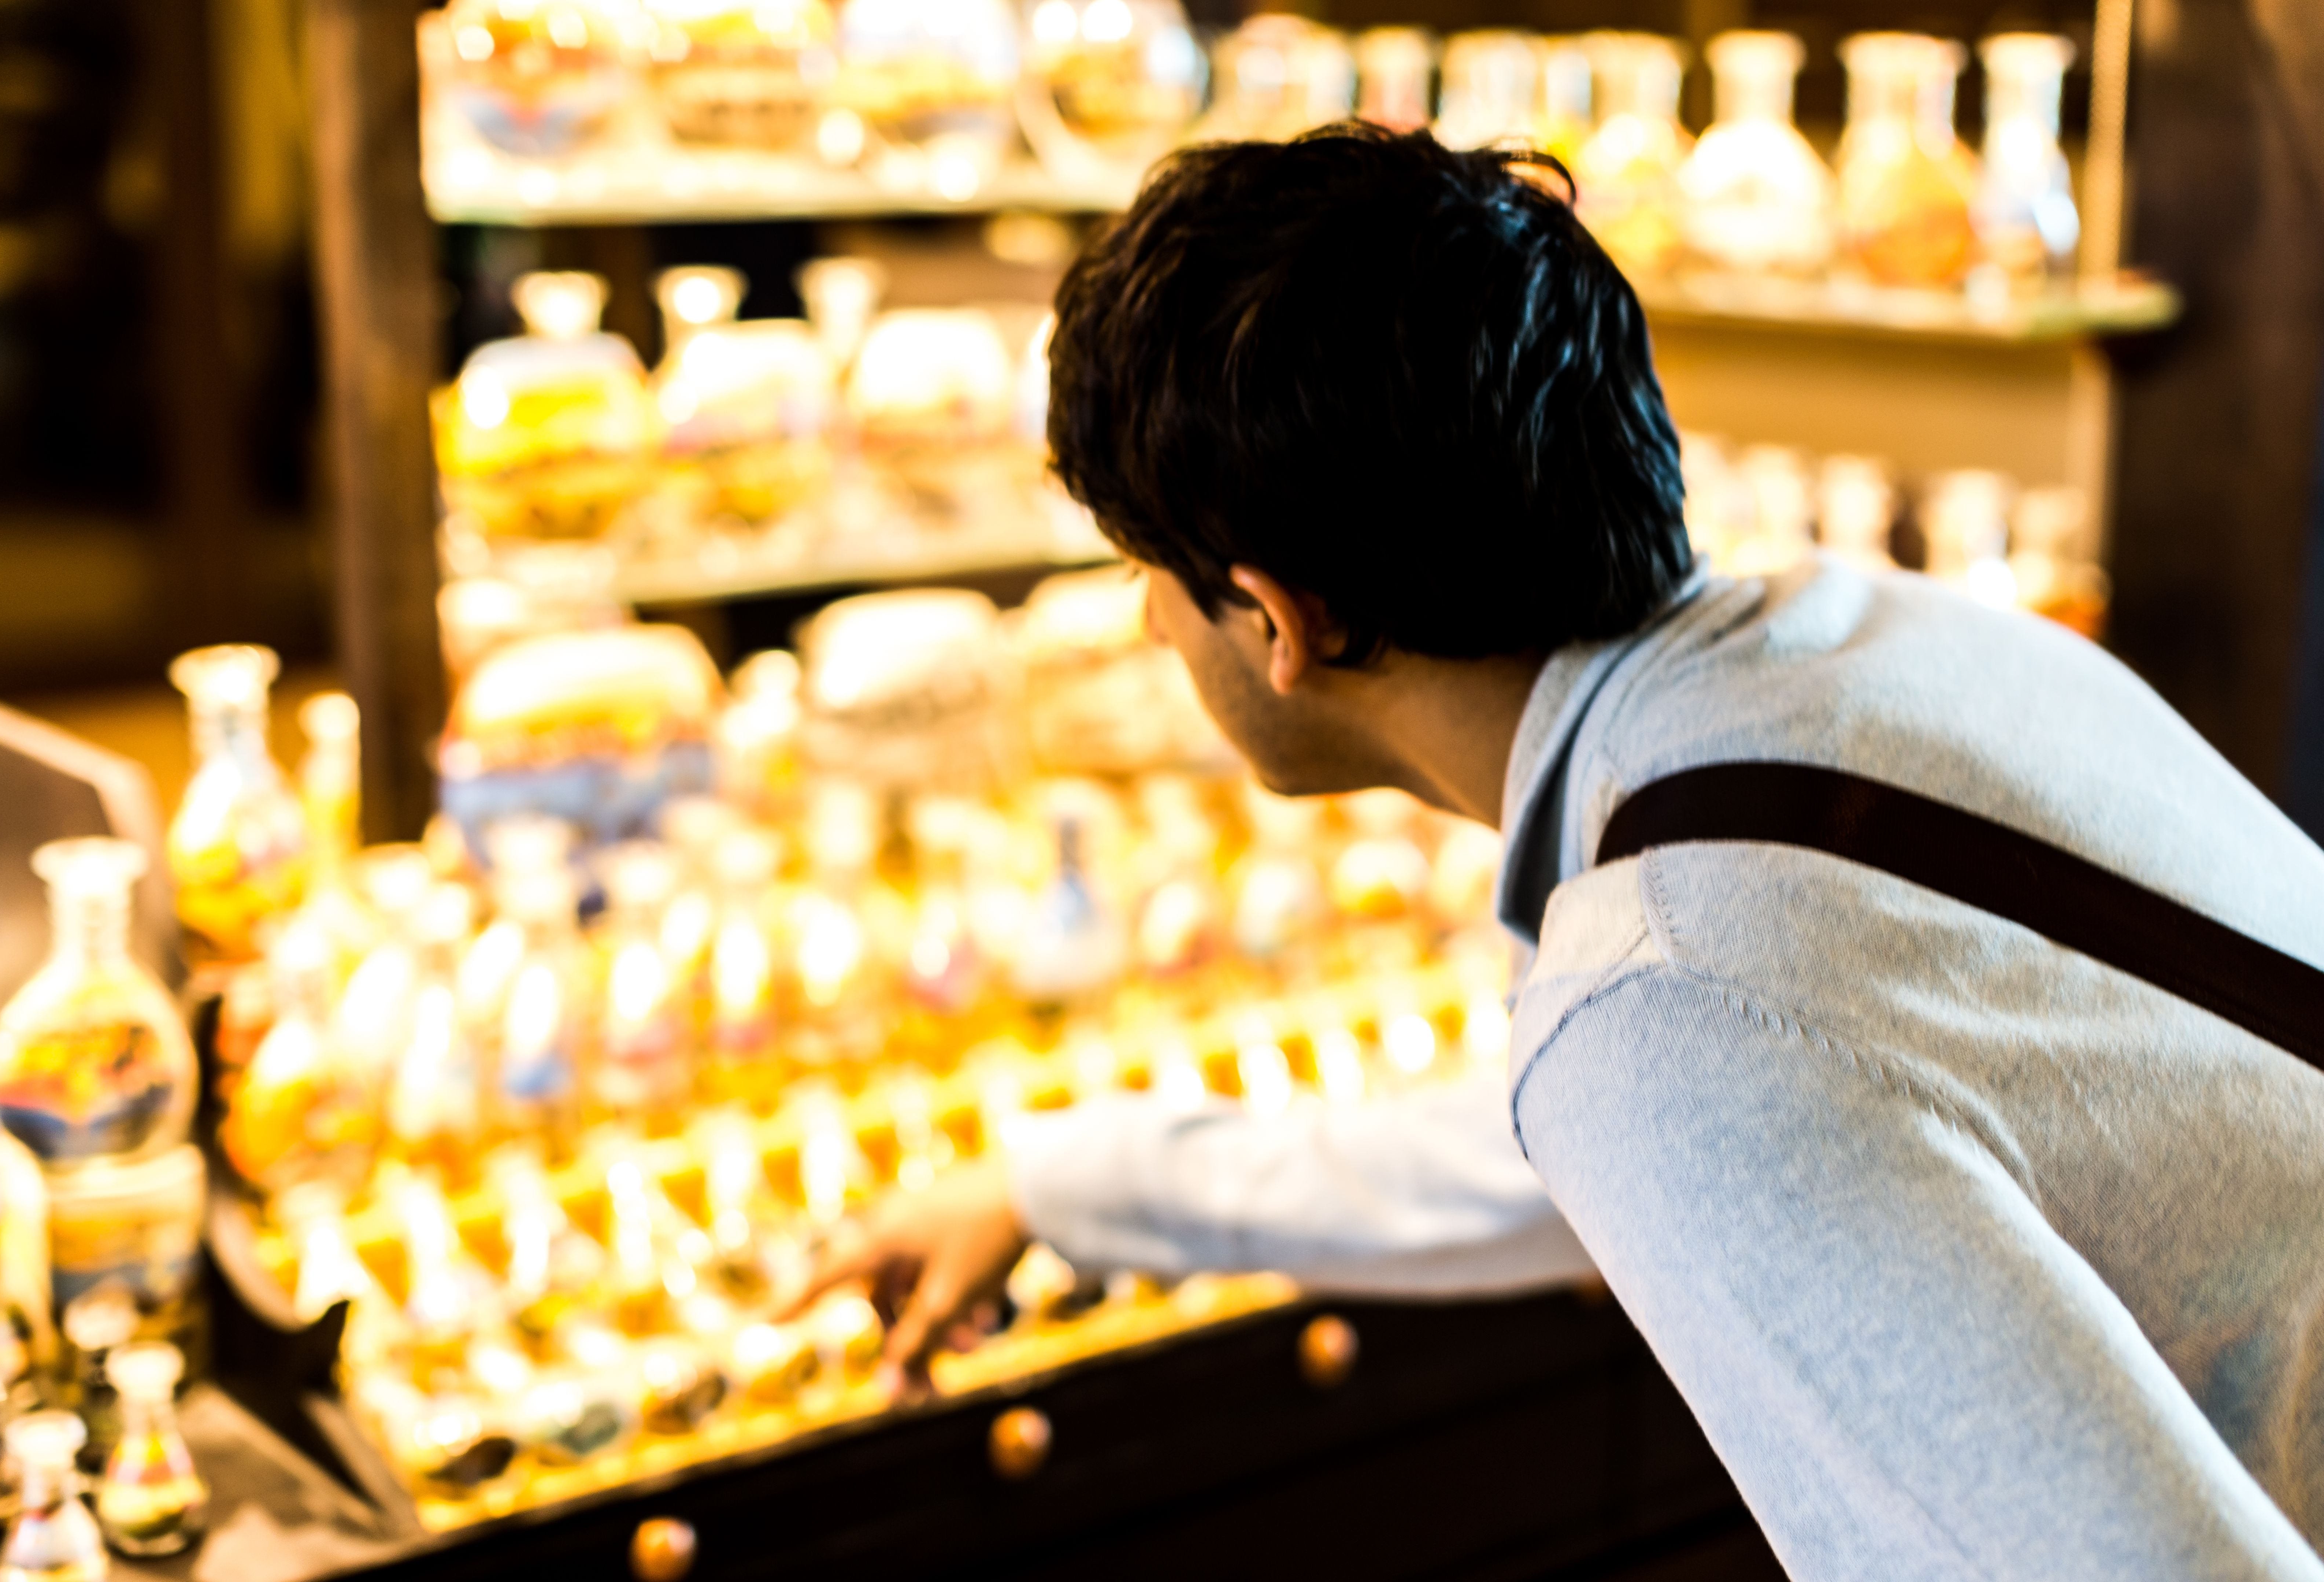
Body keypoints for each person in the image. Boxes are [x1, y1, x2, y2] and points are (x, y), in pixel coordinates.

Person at [793, 125, 2324, 1579]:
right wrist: (1069, 1184)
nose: (1142, 623)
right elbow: (1586, 1145)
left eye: (1148, 575)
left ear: (1281, 619)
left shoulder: (1671, 1000)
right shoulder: (1893, 648)